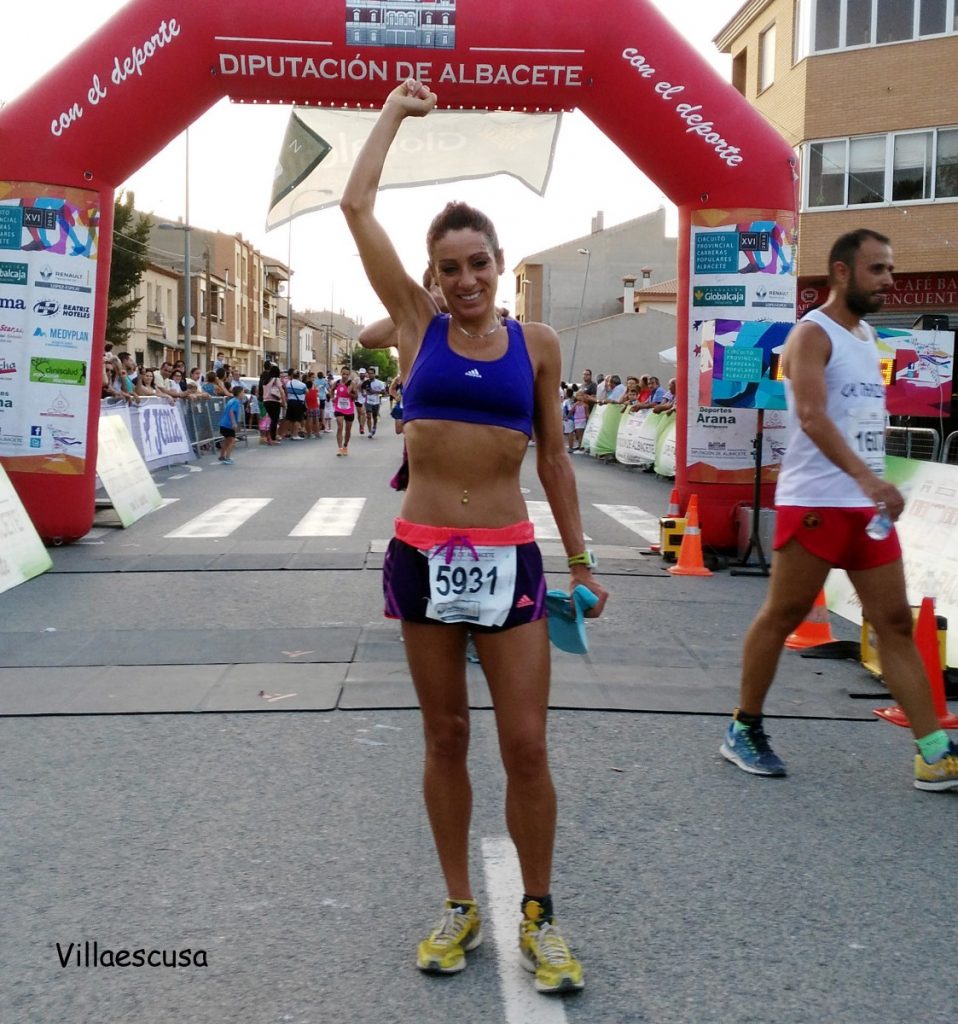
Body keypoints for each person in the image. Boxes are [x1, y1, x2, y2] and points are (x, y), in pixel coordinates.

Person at [341, 78, 608, 993]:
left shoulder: (538, 346)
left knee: (526, 746)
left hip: (511, 563)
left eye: (478, 263)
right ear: (429, 278)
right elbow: (354, 202)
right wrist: (394, 113)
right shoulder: (415, 329)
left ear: (501, 263)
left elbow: (559, 462)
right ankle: (459, 903)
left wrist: (580, 558)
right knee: (445, 736)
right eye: (448, 267)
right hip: (423, 560)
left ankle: (538, 915)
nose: (465, 280)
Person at [721, 228, 958, 791]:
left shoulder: (866, 334)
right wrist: (868, 479)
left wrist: (871, 484)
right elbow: (811, 416)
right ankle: (742, 728)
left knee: (895, 624)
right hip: (817, 503)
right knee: (782, 616)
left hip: (863, 510)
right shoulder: (812, 333)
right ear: (842, 272)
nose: (890, 281)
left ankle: (932, 752)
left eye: (891, 269)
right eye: (878, 269)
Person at [332, 366, 358, 456]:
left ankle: (345, 446)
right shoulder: (337, 383)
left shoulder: (352, 384)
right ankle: (339, 448)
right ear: (341, 373)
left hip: (349, 409)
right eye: (343, 374)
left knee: (348, 429)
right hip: (339, 408)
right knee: (340, 427)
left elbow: (356, 397)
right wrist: (332, 398)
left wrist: (349, 393)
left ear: (349, 375)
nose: (345, 376)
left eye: (347, 374)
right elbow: (331, 390)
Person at [260, 364, 285, 445]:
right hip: (274, 401)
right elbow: (281, 391)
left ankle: (268, 437)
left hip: (266, 401)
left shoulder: (266, 380)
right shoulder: (276, 379)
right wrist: (283, 401)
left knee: (271, 420)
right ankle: (273, 439)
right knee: (274, 420)